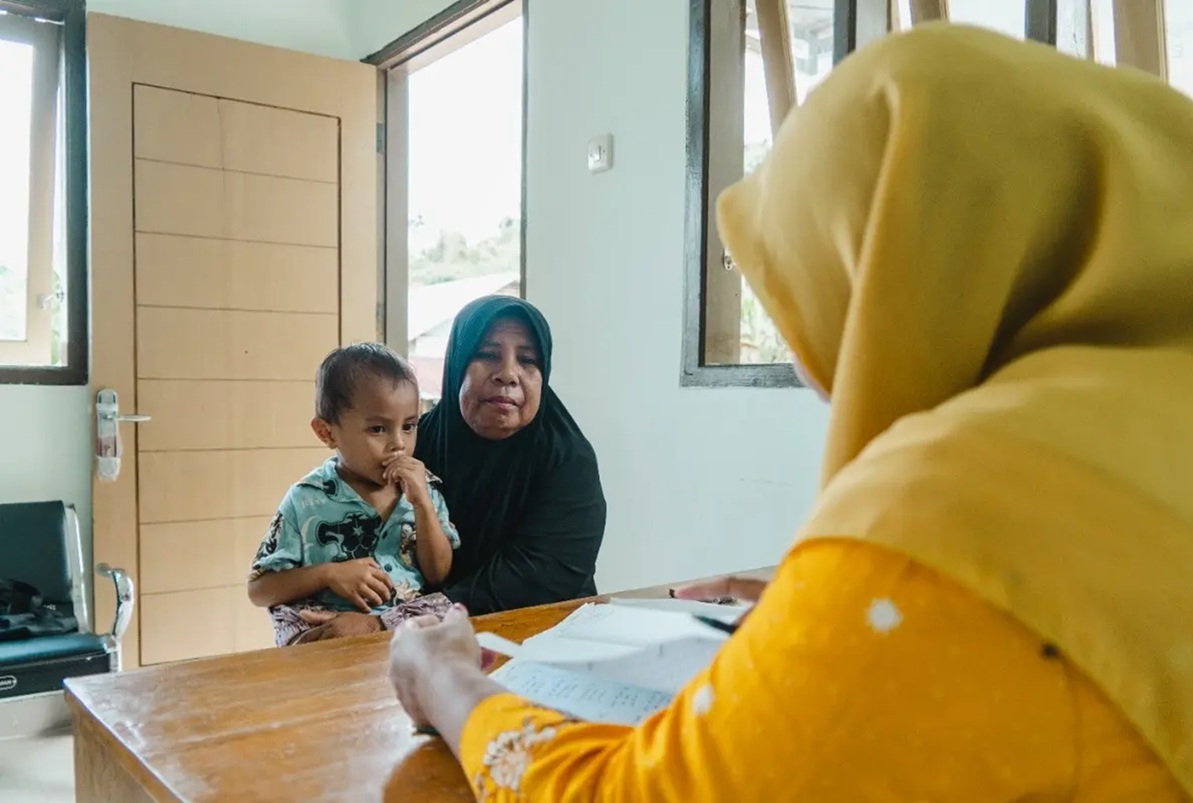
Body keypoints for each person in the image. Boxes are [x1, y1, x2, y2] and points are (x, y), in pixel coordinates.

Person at [383, 24, 1193, 800]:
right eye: (487, 356)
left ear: (898, 279)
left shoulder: (961, 512)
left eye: (808, 297)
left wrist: (445, 679)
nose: (811, 364)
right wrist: (831, 601)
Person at [295, 296, 607, 642]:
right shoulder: (415, 444)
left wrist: (388, 622)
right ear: (457, 364)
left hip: (545, 638)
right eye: (488, 354)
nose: (507, 374)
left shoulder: (567, 460)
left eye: (528, 360)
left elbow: (531, 581)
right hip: (425, 646)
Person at [247, 343, 459, 646]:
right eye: (378, 429)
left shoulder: (423, 488)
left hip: (403, 634)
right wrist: (328, 574)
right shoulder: (306, 498)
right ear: (327, 433)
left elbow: (438, 574)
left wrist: (423, 505)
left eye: (409, 426)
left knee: (448, 609)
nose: (399, 444)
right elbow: (259, 590)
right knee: (294, 623)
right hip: (328, 638)